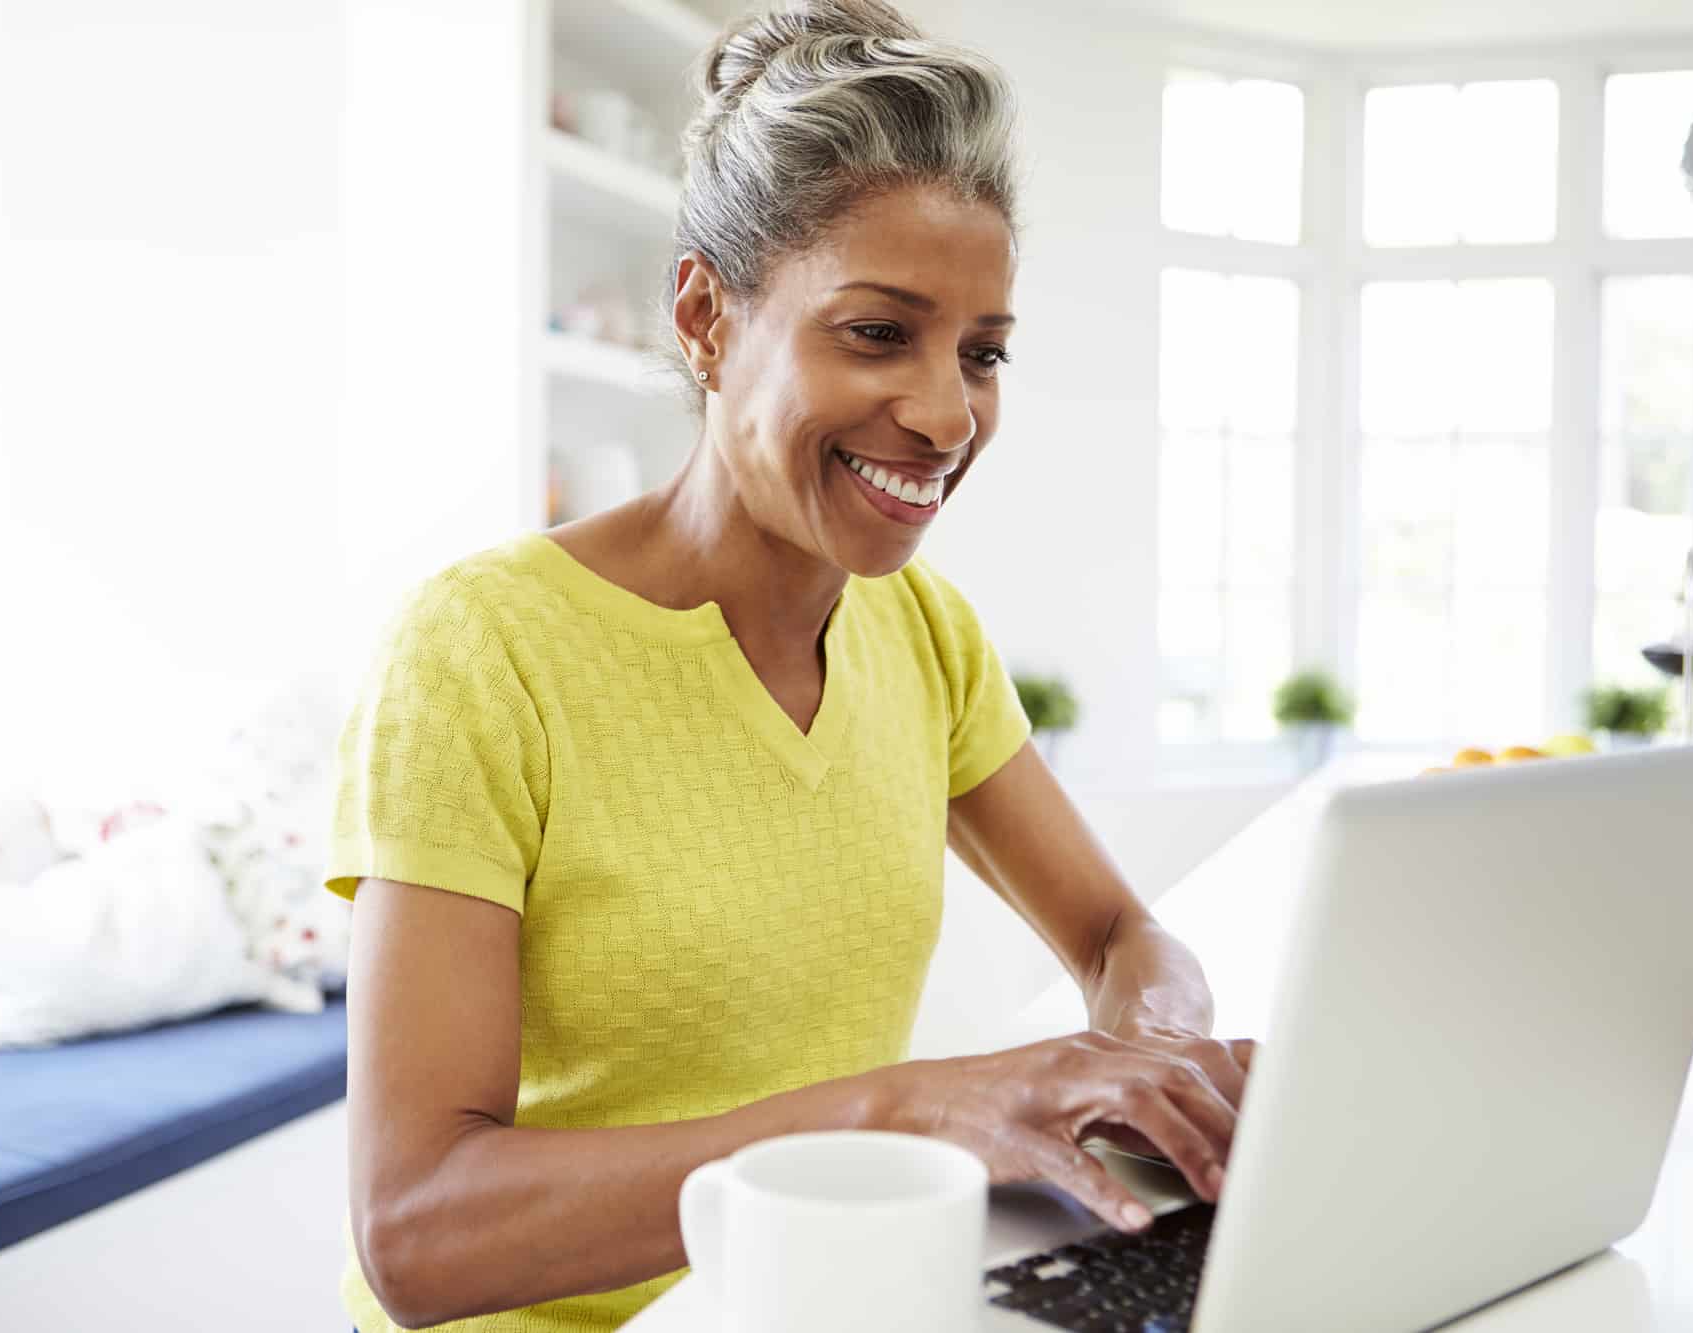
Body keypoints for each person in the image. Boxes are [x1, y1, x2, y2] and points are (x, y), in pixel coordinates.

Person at [323, 2, 1255, 1329]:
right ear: (706, 314)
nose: (946, 414)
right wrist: (914, 1107)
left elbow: (1118, 932)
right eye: (878, 332)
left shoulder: (923, 636)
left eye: (982, 351)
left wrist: (1151, 1057)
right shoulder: (484, 651)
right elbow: (416, 1231)